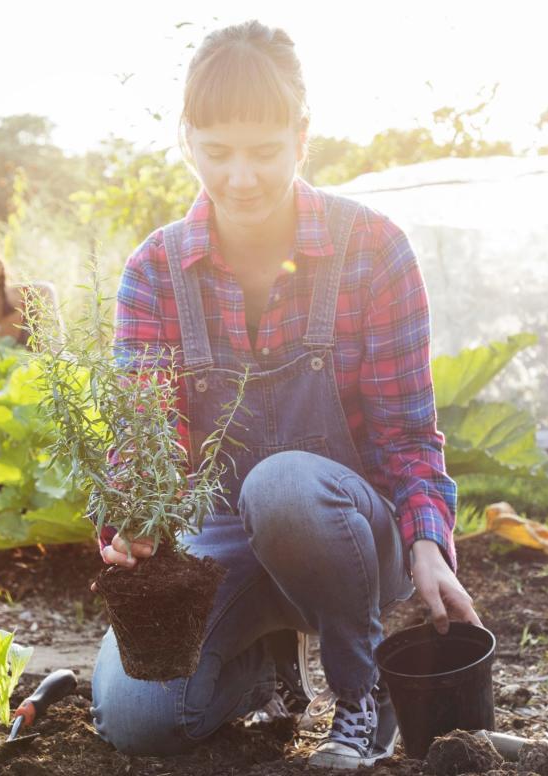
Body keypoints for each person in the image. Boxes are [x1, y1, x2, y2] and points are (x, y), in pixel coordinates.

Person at [90, 20, 481, 769]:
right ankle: (265, 669)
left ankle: (361, 702)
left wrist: (430, 545)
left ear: (302, 138)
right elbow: (143, 440)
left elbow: (407, 434)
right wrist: (131, 521)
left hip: (348, 529)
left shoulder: (372, 249)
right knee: (141, 719)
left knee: (283, 486)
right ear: (186, 140)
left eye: (264, 151)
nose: (240, 176)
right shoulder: (154, 271)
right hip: (222, 542)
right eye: (217, 151)